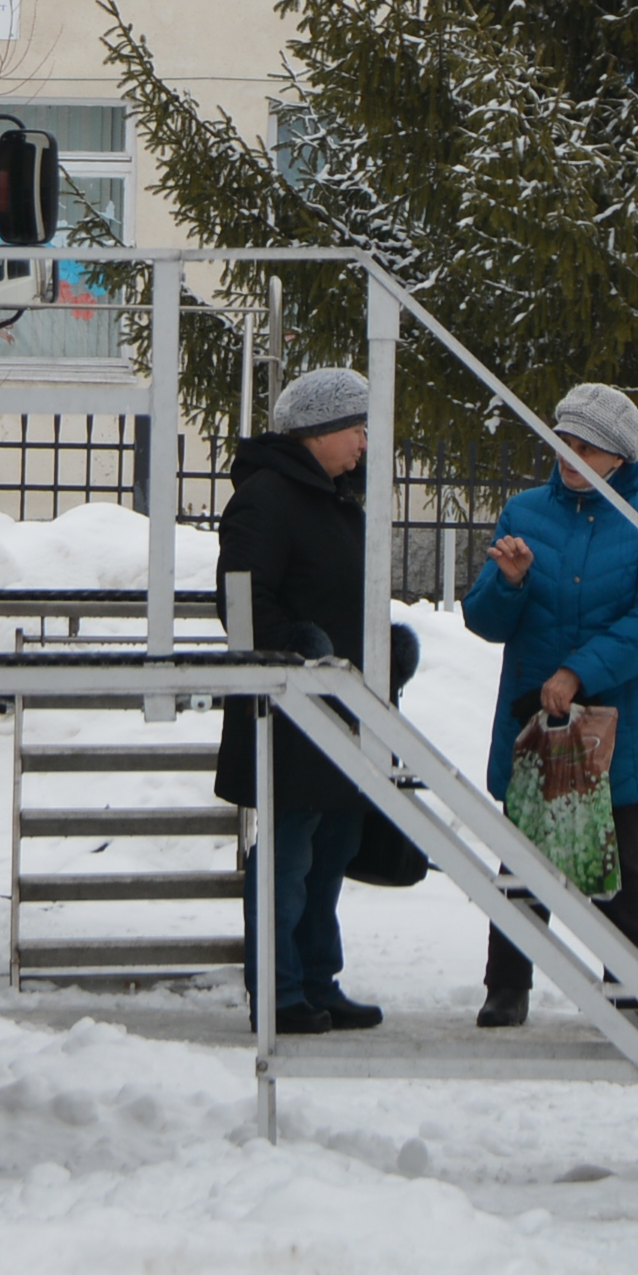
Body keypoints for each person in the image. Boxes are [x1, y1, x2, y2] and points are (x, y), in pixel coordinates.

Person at [461, 382, 638, 1029]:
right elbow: (483, 618)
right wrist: (509, 583)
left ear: (618, 454)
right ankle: (507, 985)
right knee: (523, 858)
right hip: (537, 722)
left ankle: (628, 987)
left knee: (621, 861)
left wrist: (579, 672)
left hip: (620, 728)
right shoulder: (525, 512)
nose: (568, 451)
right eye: (562, 438)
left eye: (584, 442)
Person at [213, 366, 384, 1031]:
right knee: (288, 858)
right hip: (288, 707)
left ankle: (317, 979)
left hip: (341, 705)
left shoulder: (334, 498)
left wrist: (382, 649)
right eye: (356, 428)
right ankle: (280, 995)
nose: (365, 442)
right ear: (317, 431)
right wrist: (302, 646)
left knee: (331, 851)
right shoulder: (268, 498)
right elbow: (244, 600)